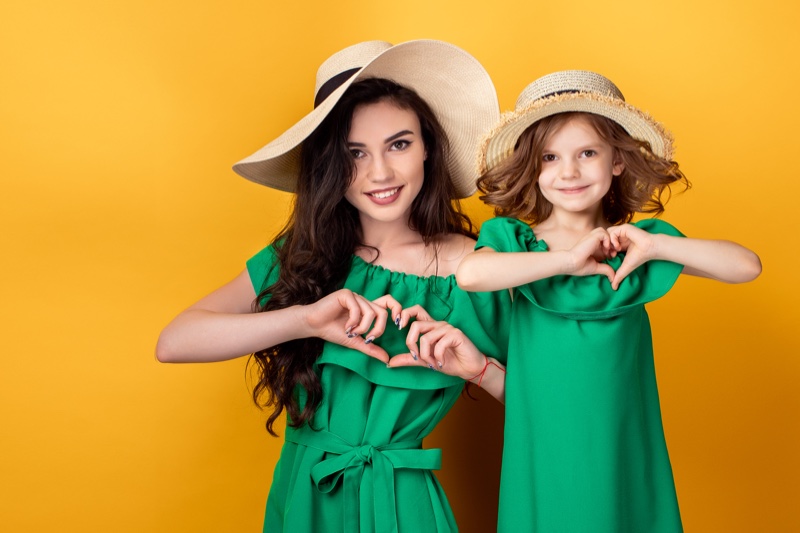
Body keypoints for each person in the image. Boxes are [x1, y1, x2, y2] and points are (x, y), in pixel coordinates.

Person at [156, 40, 510, 532]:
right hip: (304, 497)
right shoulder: (304, 257)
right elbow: (174, 342)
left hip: (401, 505)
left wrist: (481, 370)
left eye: (399, 144)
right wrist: (307, 319)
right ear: (329, 165)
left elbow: (550, 411)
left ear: (428, 146)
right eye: (354, 153)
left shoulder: (477, 268)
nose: (380, 172)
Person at [455, 70, 762, 532]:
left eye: (588, 153)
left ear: (617, 161)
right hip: (546, 448)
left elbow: (746, 266)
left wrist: (659, 247)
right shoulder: (514, 241)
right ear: (531, 168)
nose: (569, 172)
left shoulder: (637, 245)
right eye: (550, 157)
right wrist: (565, 261)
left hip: (622, 445)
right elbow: (472, 274)